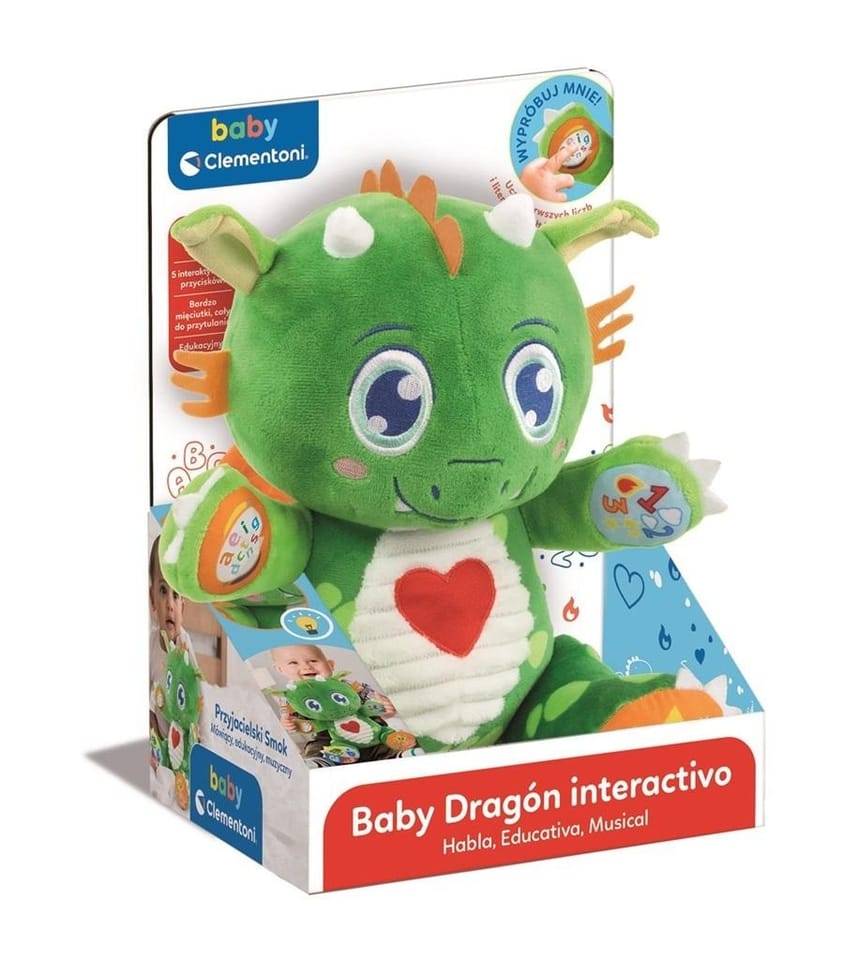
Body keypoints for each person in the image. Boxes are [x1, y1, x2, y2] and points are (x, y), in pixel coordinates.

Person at [268, 643, 414, 765]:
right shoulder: (290, 698)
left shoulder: (346, 685)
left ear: (330, 665)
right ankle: (321, 763)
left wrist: (385, 707)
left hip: (371, 729)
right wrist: (288, 723)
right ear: (280, 669)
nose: (307, 667)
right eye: (293, 663)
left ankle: (402, 755)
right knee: (317, 747)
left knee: (388, 741)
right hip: (329, 737)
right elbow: (292, 720)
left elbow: (374, 700)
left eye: (313, 660)